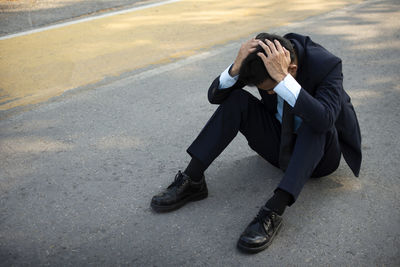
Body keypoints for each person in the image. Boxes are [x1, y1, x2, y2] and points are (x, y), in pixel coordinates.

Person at [150, 32, 362, 253]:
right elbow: (215, 97)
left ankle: (273, 210)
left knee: (315, 120)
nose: (270, 93)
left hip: (320, 157)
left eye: (272, 88)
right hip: (279, 146)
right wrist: (236, 67)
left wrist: (284, 81)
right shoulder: (264, 58)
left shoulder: (327, 66)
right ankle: (193, 180)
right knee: (236, 99)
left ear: (291, 69)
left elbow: (325, 119)